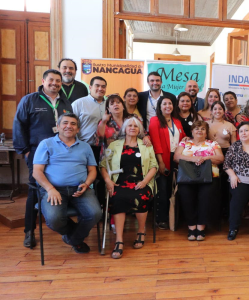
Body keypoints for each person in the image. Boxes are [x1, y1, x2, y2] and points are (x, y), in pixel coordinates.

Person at [13, 69, 73, 248]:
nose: (55, 83)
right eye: (51, 80)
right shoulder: (30, 100)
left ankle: (61, 224)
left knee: (59, 185)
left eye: (58, 81)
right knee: (34, 191)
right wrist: (25, 151)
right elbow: (19, 125)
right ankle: (29, 231)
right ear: (43, 81)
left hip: (60, 154)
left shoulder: (65, 102)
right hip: (36, 153)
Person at [32, 113, 101, 253]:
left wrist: (87, 184)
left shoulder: (85, 147)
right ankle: (76, 238)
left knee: (95, 214)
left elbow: (93, 171)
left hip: (81, 189)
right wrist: (50, 189)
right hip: (53, 190)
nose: (69, 126)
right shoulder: (46, 144)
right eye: (65, 123)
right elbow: (37, 172)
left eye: (73, 124)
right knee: (54, 219)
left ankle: (72, 239)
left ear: (78, 129)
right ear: (58, 127)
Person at [100, 117, 158, 259]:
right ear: (124, 128)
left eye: (135, 126)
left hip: (141, 182)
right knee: (117, 197)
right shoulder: (114, 145)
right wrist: (108, 181)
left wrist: (145, 182)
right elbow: (102, 165)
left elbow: (154, 166)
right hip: (119, 182)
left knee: (141, 195)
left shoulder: (146, 145)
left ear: (139, 130)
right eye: (129, 125)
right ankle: (119, 240)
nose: (132, 128)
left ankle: (141, 231)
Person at [173, 121, 224, 241]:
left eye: (202, 129)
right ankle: (191, 227)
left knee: (205, 199)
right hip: (187, 177)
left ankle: (201, 227)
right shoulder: (185, 143)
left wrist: (205, 158)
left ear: (206, 132)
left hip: (209, 177)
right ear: (192, 131)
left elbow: (220, 158)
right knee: (186, 198)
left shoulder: (213, 143)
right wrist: (193, 158)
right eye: (196, 129)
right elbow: (176, 157)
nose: (199, 131)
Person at [149, 97, 186, 230]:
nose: (167, 106)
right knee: (163, 190)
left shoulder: (177, 121)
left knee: (174, 189)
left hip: (176, 158)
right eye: (164, 103)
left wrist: (186, 138)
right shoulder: (155, 120)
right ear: (159, 106)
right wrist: (160, 162)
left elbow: (182, 137)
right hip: (162, 157)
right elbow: (156, 141)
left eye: (170, 103)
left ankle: (174, 217)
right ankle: (161, 219)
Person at [207, 101, 237, 217]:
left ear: (224, 111)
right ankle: (213, 211)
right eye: (215, 109)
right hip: (211, 155)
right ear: (211, 111)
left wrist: (233, 159)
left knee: (225, 184)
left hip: (227, 154)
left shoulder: (230, 125)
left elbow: (234, 144)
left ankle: (225, 211)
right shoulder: (205, 124)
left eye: (220, 109)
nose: (217, 111)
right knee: (213, 184)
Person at [71, 76, 107, 162]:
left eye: (103, 86)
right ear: (90, 87)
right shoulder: (79, 103)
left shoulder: (109, 104)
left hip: (105, 148)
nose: (100, 88)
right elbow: (71, 125)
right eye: (97, 86)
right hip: (83, 147)